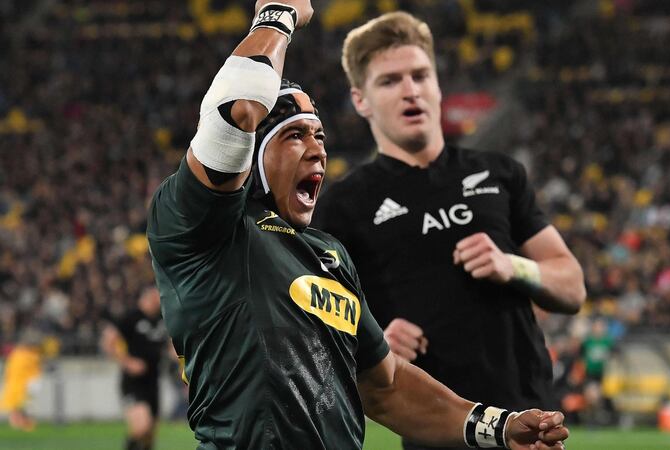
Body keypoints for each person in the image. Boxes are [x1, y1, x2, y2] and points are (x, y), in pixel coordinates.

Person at [147, 1, 569, 449]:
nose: (317, 150)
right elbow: (234, 109)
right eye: (294, 135)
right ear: (251, 155)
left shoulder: (329, 255)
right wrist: (277, 15)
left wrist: (498, 428)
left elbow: (385, 387)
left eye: (320, 136)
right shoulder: (202, 227)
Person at [313, 12, 586, 450]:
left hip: (530, 423)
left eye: (421, 75)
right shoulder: (344, 206)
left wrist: (512, 265)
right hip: (435, 429)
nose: (410, 90)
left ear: (438, 85)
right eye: (390, 81)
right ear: (360, 100)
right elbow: (318, 330)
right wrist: (372, 341)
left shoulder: (499, 173)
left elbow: (572, 287)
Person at [101, 286, 168, 450]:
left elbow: (170, 345)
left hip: (153, 381)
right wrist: (128, 362)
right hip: (133, 382)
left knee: (149, 435)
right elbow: (108, 342)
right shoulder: (131, 317)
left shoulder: (162, 319)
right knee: (141, 427)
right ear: (149, 298)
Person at [0, 327, 44, 431]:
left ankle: (22, 424)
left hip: (21, 385)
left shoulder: (21, 354)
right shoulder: (26, 355)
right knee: (21, 406)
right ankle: (22, 424)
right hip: (21, 385)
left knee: (21, 406)